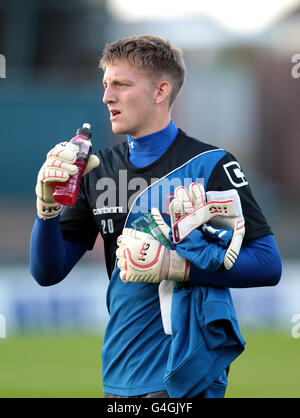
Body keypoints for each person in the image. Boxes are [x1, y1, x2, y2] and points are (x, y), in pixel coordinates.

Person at [30, 34, 282, 398]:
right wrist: (47, 210)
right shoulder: (98, 170)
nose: (107, 96)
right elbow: (47, 273)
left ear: (160, 91)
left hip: (187, 374)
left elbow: (268, 264)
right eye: (105, 84)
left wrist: (177, 265)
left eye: (121, 84)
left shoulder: (212, 164)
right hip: (118, 373)